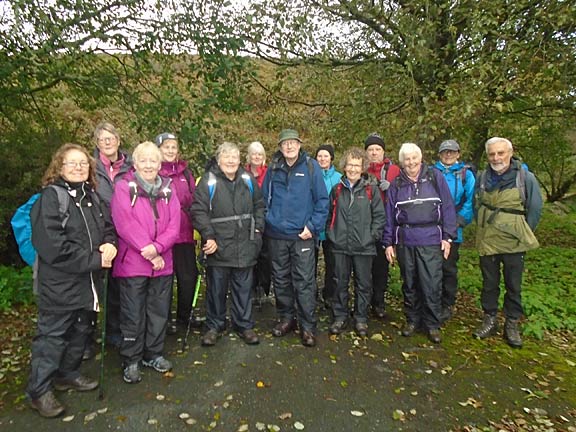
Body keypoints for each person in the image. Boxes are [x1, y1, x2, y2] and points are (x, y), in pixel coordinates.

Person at [26, 144, 117, 417]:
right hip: (59, 284)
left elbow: (108, 229)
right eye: (71, 163)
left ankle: (67, 373)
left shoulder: (92, 197)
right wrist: (95, 260)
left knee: (81, 329)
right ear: (59, 167)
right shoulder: (51, 199)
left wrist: (110, 245)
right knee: (52, 336)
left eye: (83, 163)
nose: (78, 167)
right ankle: (39, 390)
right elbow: (53, 247)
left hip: (87, 282)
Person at [111, 141, 181, 384]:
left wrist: (159, 248)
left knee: (158, 311)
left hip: (164, 262)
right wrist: (149, 250)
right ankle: (131, 359)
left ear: (160, 163)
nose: (149, 165)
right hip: (134, 262)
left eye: (153, 160)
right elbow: (124, 223)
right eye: (144, 160)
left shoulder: (169, 189)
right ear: (135, 163)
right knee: (133, 313)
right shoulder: (123, 188)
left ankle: (154, 353)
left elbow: (174, 225)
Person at [192, 142, 265, 346]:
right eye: (227, 156)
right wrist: (208, 236)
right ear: (218, 159)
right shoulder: (209, 181)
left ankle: (244, 325)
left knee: (243, 288)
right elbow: (198, 211)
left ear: (240, 159)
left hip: (245, 243)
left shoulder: (248, 179)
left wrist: (258, 230)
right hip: (218, 244)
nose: (231, 161)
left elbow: (260, 206)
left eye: (234, 156)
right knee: (216, 288)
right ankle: (214, 325)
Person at [473, 137, 543, 348]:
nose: (496, 158)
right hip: (488, 240)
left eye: (500, 153)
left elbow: (535, 209)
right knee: (489, 283)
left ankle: (511, 324)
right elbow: (477, 204)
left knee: (513, 285)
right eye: (492, 154)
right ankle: (490, 319)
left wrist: (523, 232)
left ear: (510, 153)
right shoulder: (483, 177)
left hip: (514, 242)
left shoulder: (525, 178)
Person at [383, 143, 457, 344]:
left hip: (432, 239)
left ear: (421, 158)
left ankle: (432, 324)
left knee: (431, 282)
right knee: (410, 283)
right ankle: (412, 320)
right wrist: (388, 243)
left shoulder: (434, 177)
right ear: (402, 162)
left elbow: (449, 208)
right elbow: (389, 216)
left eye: (414, 157)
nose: (411, 162)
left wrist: (448, 236)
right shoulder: (396, 184)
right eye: (407, 159)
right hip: (405, 240)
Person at [262, 129, 329, 347]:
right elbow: (263, 200)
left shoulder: (311, 167)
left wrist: (312, 227)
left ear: (299, 145)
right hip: (276, 235)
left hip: (303, 236)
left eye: (293, 143)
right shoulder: (273, 168)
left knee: (304, 281)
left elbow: (322, 201)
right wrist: (268, 221)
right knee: (280, 279)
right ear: (280, 147)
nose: (289, 147)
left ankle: (308, 326)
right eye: (285, 144)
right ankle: (286, 318)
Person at [325, 148, 385, 337]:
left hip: (364, 246)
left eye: (356, 165)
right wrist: (331, 234)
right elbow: (328, 216)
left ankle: (360, 318)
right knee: (340, 282)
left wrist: (371, 236)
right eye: (350, 164)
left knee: (364, 284)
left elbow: (379, 216)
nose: (352, 169)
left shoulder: (370, 189)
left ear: (363, 168)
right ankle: (340, 316)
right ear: (344, 166)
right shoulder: (337, 189)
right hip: (340, 245)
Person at [93, 121, 133, 350]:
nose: (107, 142)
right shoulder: (90, 166)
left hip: (125, 230)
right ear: (97, 144)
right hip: (100, 232)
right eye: (102, 139)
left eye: (111, 138)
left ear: (118, 140)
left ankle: (118, 331)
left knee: (120, 284)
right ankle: (97, 333)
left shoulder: (131, 166)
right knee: (100, 286)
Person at [156, 132, 200, 334]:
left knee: (188, 277)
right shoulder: (153, 172)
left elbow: (194, 201)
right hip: (162, 236)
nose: (171, 151)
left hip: (184, 234)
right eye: (166, 147)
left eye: (173, 147)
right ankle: (162, 321)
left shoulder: (186, 174)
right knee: (163, 281)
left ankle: (185, 316)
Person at [432, 139, 475, 323]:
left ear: (458, 154)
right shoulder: (431, 172)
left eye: (452, 152)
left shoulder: (466, 175)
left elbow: (470, 200)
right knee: (431, 267)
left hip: (453, 230)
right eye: (445, 152)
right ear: (440, 154)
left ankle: (446, 304)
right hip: (432, 227)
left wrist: (456, 223)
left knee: (448, 268)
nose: (448, 155)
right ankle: (431, 301)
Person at [365, 133, 401, 319]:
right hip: (364, 224)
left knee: (381, 266)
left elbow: (403, 192)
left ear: (383, 151)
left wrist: (392, 188)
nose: (374, 153)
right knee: (363, 266)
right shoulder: (361, 169)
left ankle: (378, 302)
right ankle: (363, 300)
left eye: (377, 149)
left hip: (386, 224)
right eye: (370, 149)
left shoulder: (394, 170)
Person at [314, 144, 342, 307]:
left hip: (332, 225)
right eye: (319, 156)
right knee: (310, 262)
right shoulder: (311, 175)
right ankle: (311, 292)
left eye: (326, 156)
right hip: (315, 224)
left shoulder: (339, 177)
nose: (323, 159)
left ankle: (329, 294)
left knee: (332, 262)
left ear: (331, 158)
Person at [245, 141, 271, 301]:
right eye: (254, 153)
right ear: (249, 156)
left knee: (265, 256)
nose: (256, 157)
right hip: (247, 220)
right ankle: (251, 287)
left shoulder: (269, 173)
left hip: (266, 219)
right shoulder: (241, 173)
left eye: (259, 154)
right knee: (250, 255)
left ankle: (265, 287)